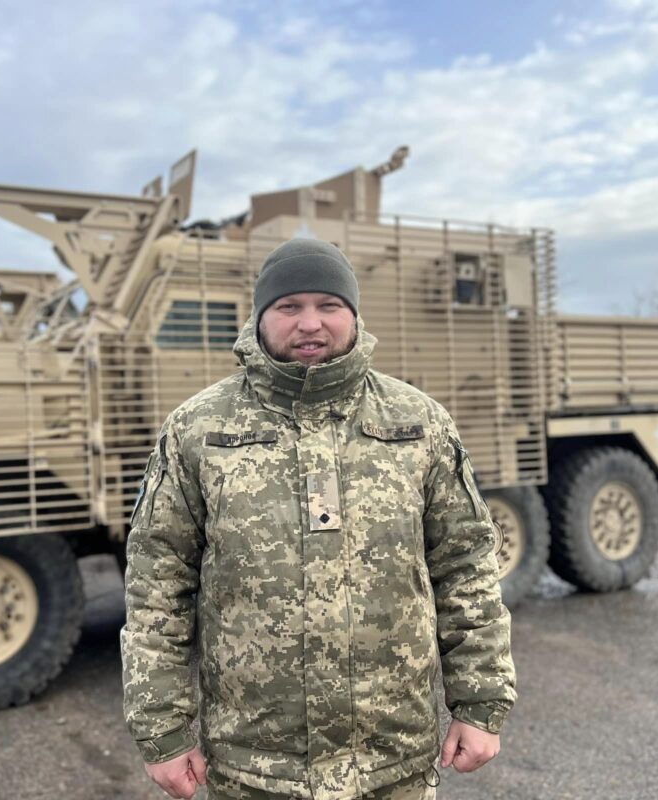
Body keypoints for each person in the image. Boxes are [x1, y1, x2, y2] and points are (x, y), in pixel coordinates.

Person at [121, 238, 516, 800]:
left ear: (353, 313)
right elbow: (158, 586)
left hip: (393, 762)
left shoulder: (419, 423)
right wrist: (162, 731)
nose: (310, 323)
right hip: (255, 770)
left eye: (329, 305)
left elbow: (466, 568)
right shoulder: (198, 430)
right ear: (261, 316)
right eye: (289, 306)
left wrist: (480, 703)